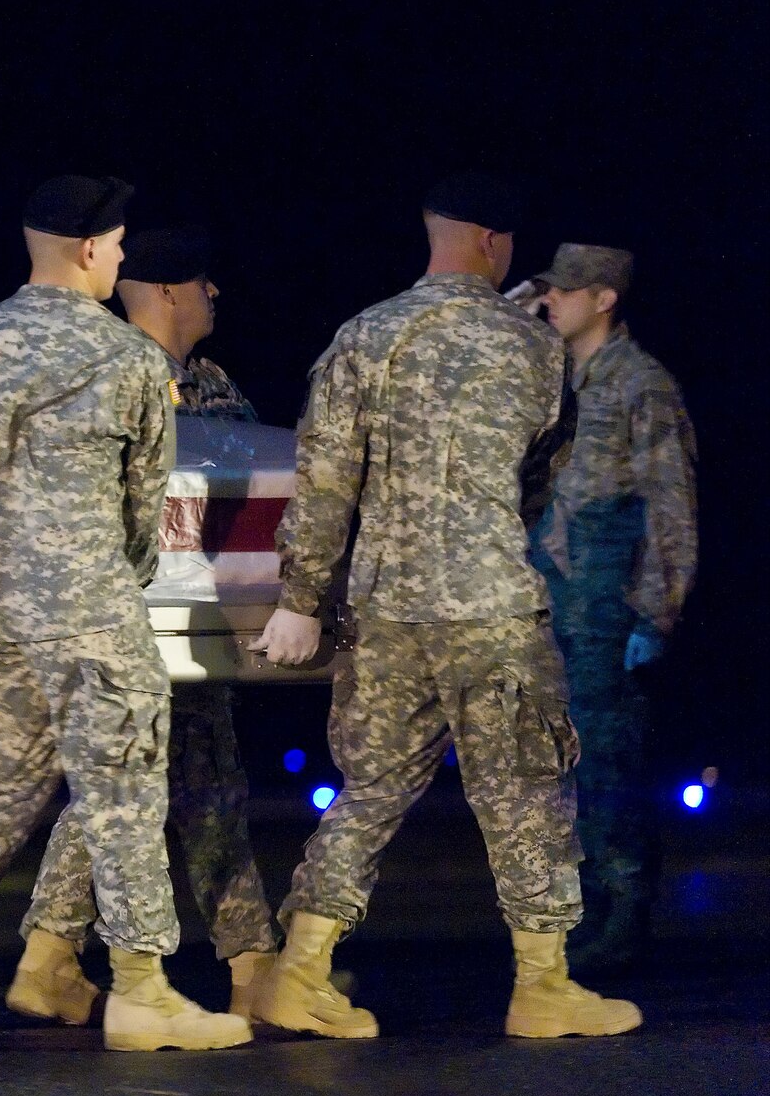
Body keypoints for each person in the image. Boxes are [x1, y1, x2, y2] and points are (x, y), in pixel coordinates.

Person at [0, 176, 252, 1056]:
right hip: (91, 612)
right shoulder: (127, 358)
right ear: (91, 249)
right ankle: (144, 989)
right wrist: (117, 576)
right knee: (126, 793)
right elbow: (144, 509)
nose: (117, 257)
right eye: (114, 244)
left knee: (3, 793)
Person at [250, 173, 641, 1039]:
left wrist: (302, 595)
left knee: (370, 788)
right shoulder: (534, 348)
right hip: (486, 602)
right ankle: (543, 986)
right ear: (495, 243)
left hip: (384, 607)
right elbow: (541, 474)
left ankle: (299, 970)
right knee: (527, 791)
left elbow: (322, 484)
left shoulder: (363, 335)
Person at [16, 226, 280, 1024]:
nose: (213, 297)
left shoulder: (207, 382)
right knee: (128, 782)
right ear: (167, 291)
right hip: (126, 615)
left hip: (195, 617)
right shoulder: (104, 376)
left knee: (198, 781)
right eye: (203, 284)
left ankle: (239, 961)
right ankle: (56, 953)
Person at [527, 243, 697, 973]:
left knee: (607, 765)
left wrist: (657, 614)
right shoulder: (553, 381)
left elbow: (671, 505)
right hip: (551, 597)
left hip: (607, 601)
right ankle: (582, 910)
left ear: (604, 299)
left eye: (565, 292)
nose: (550, 302)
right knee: (559, 765)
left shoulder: (640, 384)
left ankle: (623, 914)